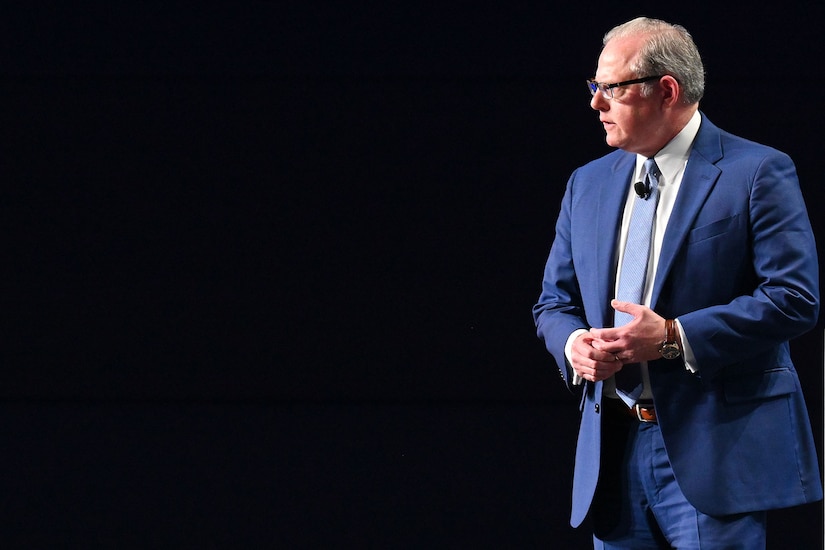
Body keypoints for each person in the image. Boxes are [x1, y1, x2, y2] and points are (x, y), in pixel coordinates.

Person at [532, 16, 822, 549]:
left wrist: (672, 336)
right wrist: (574, 344)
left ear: (667, 90)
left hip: (715, 450)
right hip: (613, 447)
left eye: (611, 89)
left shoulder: (757, 171)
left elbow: (794, 299)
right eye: (594, 87)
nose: (595, 103)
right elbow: (553, 303)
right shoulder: (588, 183)